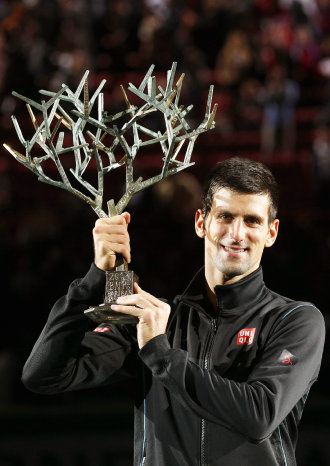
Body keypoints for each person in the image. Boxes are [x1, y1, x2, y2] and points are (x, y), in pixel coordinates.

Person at [22, 157, 325, 466]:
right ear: (200, 223)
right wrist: (95, 279)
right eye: (225, 216)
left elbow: (259, 416)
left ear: (271, 233)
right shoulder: (157, 321)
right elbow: (43, 376)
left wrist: (161, 355)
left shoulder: (295, 320)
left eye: (252, 221)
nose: (236, 234)